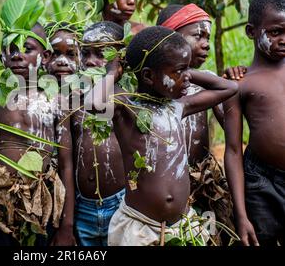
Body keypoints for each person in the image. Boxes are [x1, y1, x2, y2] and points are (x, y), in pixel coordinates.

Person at [91, 26, 237, 245]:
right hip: (139, 228)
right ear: (148, 75)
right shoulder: (126, 109)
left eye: (188, 70)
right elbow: (94, 104)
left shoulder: (179, 107)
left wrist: (185, 69)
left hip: (182, 227)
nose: (187, 77)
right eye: (178, 71)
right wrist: (112, 73)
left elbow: (229, 88)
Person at [0, 23, 76, 246]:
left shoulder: (56, 102)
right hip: (0, 209)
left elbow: (66, 166)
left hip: (44, 208)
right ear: (2, 58)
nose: (17, 56)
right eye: (11, 49)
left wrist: (66, 227)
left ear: (45, 56)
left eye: (26, 49)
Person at [156, 4, 235, 242]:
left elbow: (234, 133)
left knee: (207, 238)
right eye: (197, 36)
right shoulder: (152, 85)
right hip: (163, 192)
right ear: (170, 39)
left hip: (203, 188)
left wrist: (238, 80)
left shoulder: (209, 84)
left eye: (208, 37)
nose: (206, 44)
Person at [46, 21, 126, 246]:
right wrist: (67, 223)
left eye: (100, 54)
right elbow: (66, 164)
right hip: (82, 208)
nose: (90, 61)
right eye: (86, 53)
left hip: (122, 205)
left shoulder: (128, 98)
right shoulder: (71, 100)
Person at [223, 0, 285, 246]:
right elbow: (233, 150)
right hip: (261, 182)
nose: (284, 39)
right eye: (275, 32)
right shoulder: (240, 84)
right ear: (251, 31)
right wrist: (241, 214)